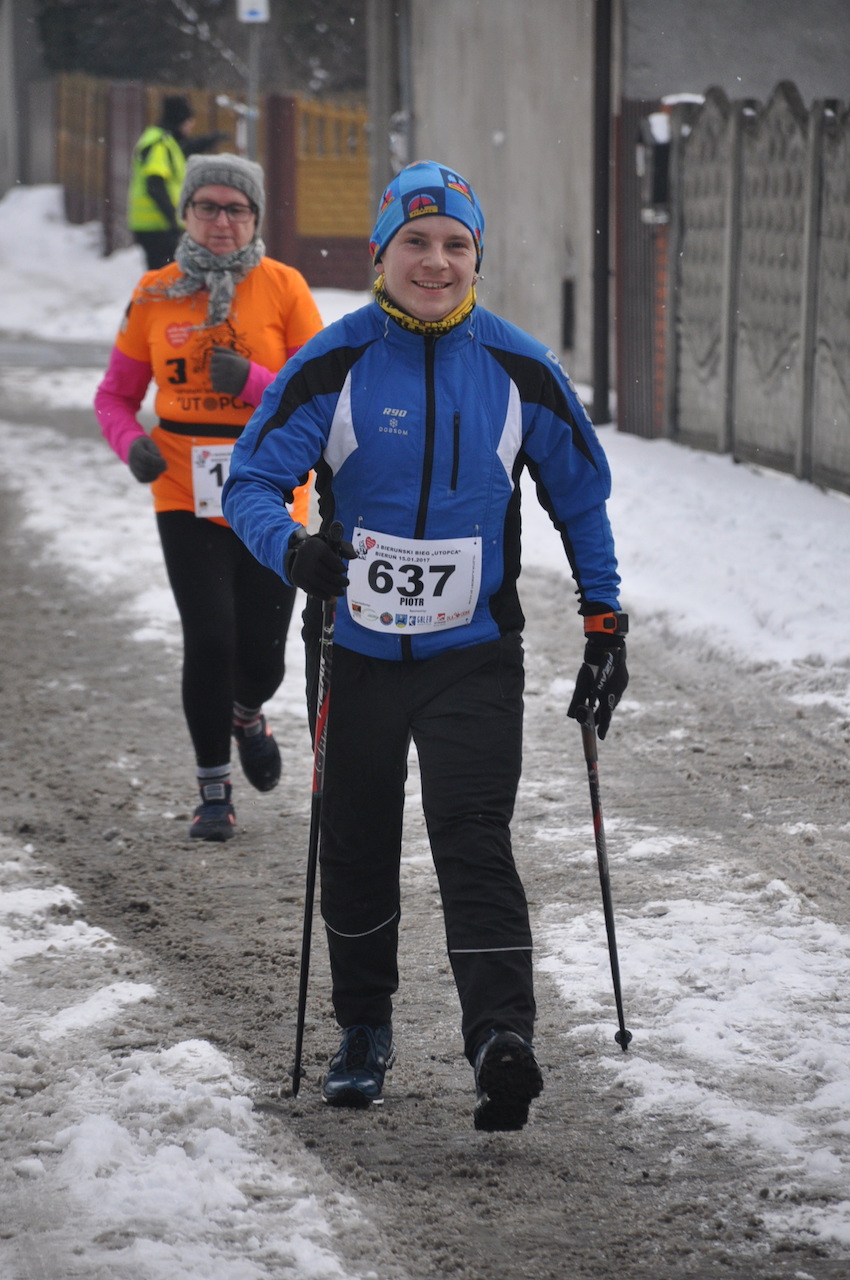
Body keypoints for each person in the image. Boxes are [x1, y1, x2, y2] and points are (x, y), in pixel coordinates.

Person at [222, 160, 629, 1130]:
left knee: (472, 834)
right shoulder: (333, 362)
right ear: (381, 253)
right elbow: (250, 481)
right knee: (356, 838)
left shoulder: (519, 367)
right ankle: (363, 1028)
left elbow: (580, 496)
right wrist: (293, 549)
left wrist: (604, 620)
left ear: (477, 256)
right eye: (416, 242)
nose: (435, 261)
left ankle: (501, 1039)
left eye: (455, 243)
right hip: (354, 651)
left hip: (472, 652)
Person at [96, 153, 324, 842]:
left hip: (272, 488)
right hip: (182, 487)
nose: (221, 221)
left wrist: (252, 381)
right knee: (210, 637)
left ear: (255, 217)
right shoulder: (154, 293)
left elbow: (322, 395)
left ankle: (247, 713)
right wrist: (130, 442)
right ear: (187, 213)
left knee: (263, 655)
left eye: (236, 209)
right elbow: (114, 396)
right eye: (208, 207)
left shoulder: (284, 287)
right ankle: (213, 790)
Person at [127, 95, 226, 271]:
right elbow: (155, 184)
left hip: (154, 224)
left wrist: (209, 140)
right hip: (156, 224)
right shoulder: (160, 144)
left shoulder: (163, 139)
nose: (191, 127)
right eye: (188, 122)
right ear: (179, 122)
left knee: (165, 277)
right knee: (165, 278)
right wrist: (172, 218)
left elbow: (184, 149)